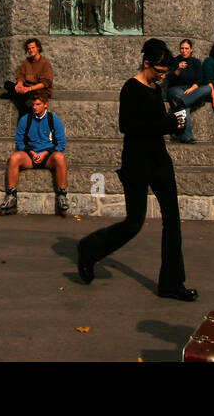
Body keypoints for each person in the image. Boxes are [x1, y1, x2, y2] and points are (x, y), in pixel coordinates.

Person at [76, 38, 197, 301]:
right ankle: (89, 249)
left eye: (165, 73)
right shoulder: (130, 89)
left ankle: (171, 283)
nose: (162, 77)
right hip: (137, 162)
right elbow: (129, 127)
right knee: (134, 223)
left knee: (173, 221)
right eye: (159, 72)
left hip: (160, 160)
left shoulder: (155, 89)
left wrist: (172, 123)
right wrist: (167, 125)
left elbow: (156, 122)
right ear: (146, 64)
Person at [0, 93, 68, 217]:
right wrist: (31, 152)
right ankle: (11, 195)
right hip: (30, 155)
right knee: (14, 158)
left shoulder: (54, 120)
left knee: (60, 157)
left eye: (38, 105)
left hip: (47, 156)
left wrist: (45, 153)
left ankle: (62, 195)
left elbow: (61, 144)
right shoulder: (26, 119)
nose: (35, 107)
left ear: (45, 105)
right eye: (33, 104)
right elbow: (19, 141)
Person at [165, 39, 210, 144]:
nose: (184, 51)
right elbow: (170, 78)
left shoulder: (196, 62)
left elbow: (199, 79)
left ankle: (182, 101)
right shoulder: (174, 61)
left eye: (186, 48)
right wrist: (178, 69)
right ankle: (187, 136)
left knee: (208, 88)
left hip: (191, 90)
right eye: (182, 48)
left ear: (191, 50)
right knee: (184, 105)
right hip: (176, 89)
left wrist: (192, 89)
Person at [0, 38, 53, 118]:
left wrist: (29, 89)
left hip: (38, 91)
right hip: (25, 89)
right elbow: (21, 75)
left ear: (38, 48)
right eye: (28, 48)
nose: (30, 50)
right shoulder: (26, 61)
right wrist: (19, 85)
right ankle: (14, 94)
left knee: (22, 101)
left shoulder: (45, 63)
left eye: (33, 47)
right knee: (7, 84)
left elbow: (45, 83)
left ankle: (10, 94)